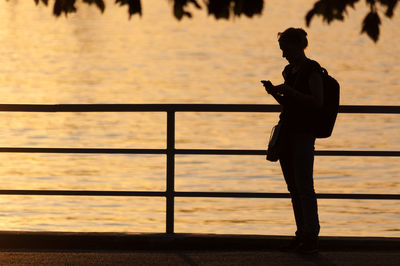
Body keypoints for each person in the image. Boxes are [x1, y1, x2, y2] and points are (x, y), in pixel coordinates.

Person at [262, 27, 323, 254]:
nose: (283, 54)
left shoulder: (313, 70)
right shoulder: (289, 71)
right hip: (288, 132)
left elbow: (317, 101)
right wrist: (276, 94)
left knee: (304, 186)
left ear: (297, 46)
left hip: (304, 133)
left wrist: (290, 91)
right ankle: (302, 233)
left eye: (285, 49)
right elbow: (290, 104)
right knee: (293, 187)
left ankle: (311, 235)